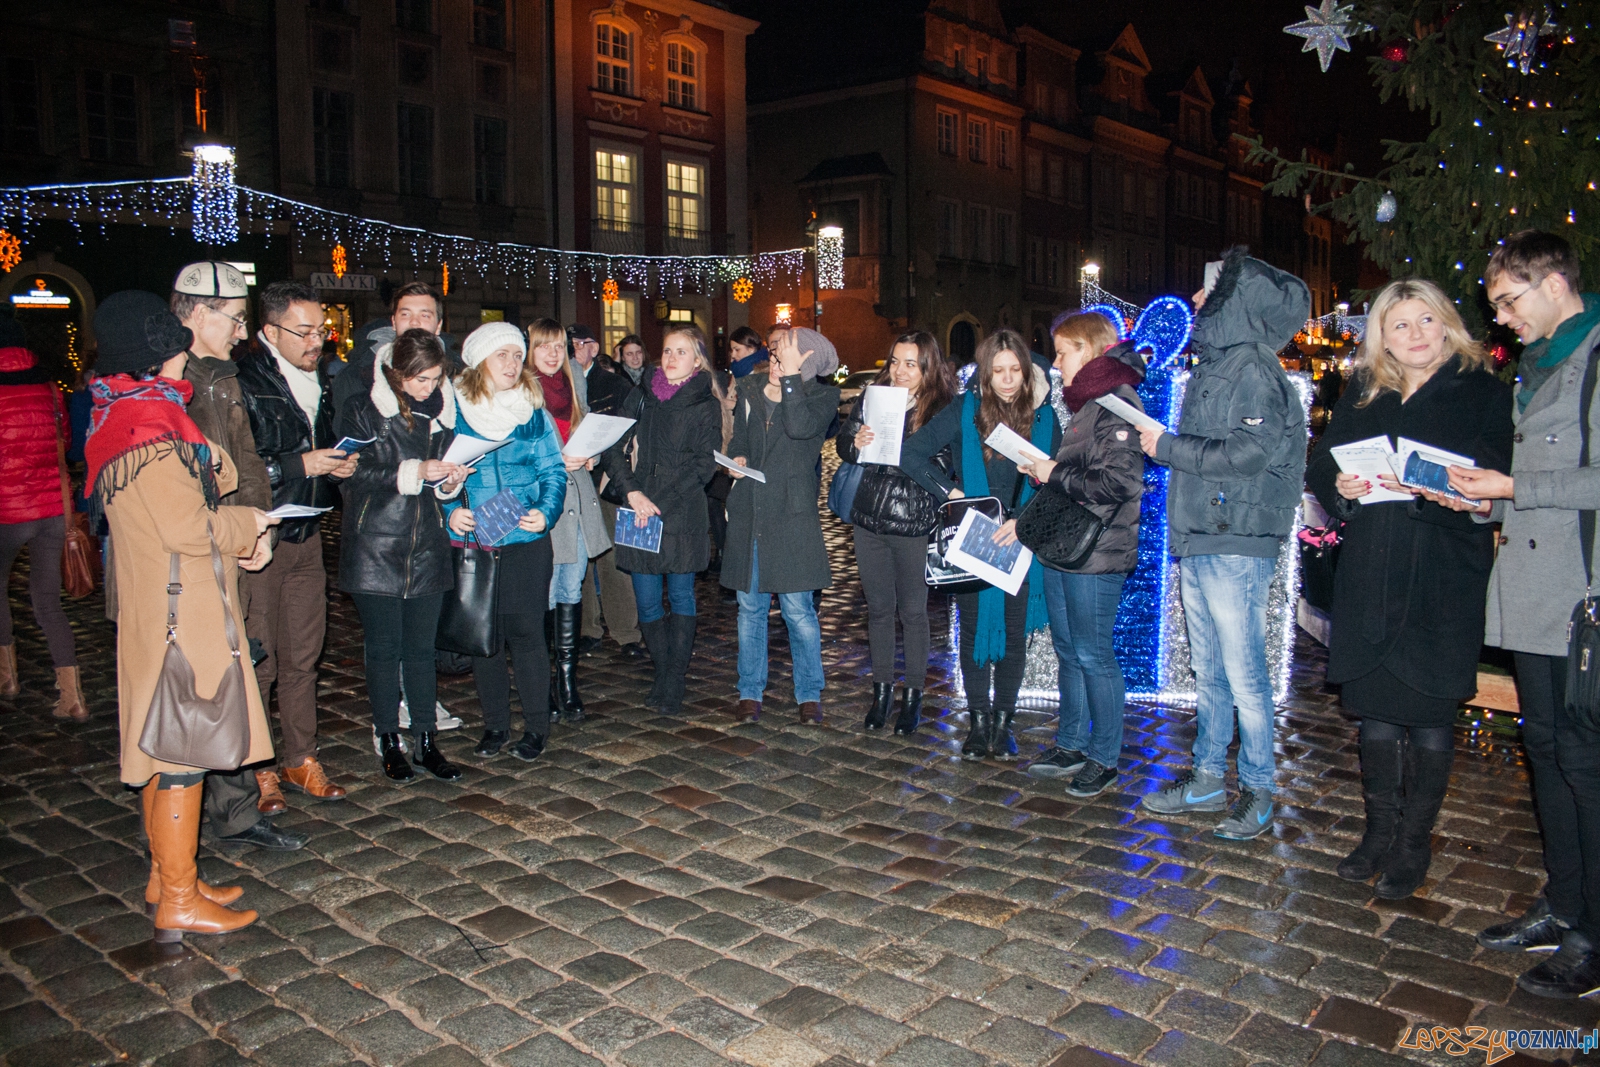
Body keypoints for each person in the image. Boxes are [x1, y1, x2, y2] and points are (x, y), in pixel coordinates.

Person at [1305, 279, 1512, 896]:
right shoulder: (1365, 392)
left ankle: (1414, 842)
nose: (1416, 334)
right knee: (1374, 712)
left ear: (1447, 323)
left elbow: (1501, 479)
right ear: (1382, 337)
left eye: (1427, 320)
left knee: (1426, 713)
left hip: (1441, 568)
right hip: (1372, 565)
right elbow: (1324, 463)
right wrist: (1339, 488)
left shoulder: (1481, 393)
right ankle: (1377, 832)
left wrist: (1466, 496)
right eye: (1401, 325)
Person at [87, 290, 279, 942]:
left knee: (164, 741)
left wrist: (211, 465)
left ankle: (170, 877)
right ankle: (176, 895)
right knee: (183, 751)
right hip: (182, 608)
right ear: (156, 350)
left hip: (164, 604)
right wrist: (246, 522)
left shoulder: (135, 414)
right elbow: (187, 523)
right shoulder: (146, 431)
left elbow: (209, 469)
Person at [1446, 231, 1600, 998]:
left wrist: (1511, 489)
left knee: (1583, 760)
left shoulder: (1594, 358)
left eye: (1510, 299)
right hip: (1535, 591)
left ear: (1555, 283)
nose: (1501, 318)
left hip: (1581, 597)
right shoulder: (1534, 369)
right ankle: (1564, 900)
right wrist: (1479, 496)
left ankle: (1593, 932)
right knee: (1545, 748)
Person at [1137, 246, 1309, 840]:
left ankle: (1258, 788)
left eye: (1209, 290)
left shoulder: (1253, 369)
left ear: (1234, 298)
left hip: (1235, 540)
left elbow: (1247, 454)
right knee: (1208, 671)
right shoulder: (1222, 362)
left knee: (1244, 676)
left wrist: (1164, 446)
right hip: (1206, 536)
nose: (1197, 299)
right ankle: (1209, 777)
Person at [172, 263, 303, 848]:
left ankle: (236, 808)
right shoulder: (173, 378)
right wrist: (236, 529)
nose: (239, 328)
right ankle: (189, 811)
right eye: (233, 316)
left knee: (238, 667)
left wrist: (259, 527)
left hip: (234, 540)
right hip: (194, 552)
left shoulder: (222, 375)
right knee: (202, 681)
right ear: (199, 314)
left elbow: (246, 460)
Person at [902, 328, 1061, 760]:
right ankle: (978, 723)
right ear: (985, 374)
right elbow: (911, 454)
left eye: (1014, 370)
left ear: (1027, 372)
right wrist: (952, 495)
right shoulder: (965, 410)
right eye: (998, 371)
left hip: (1021, 537)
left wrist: (1024, 522)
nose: (1007, 380)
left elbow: (1058, 483)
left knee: (1011, 637)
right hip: (973, 534)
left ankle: (1003, 723)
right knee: (973, 632)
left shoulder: (1046, 418)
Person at [234, 281, 356, 805]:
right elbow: (234, 468)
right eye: (303, 331)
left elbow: (319, 454)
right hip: (261, 536)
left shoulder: (318, 382)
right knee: (260, 653)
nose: (316, 341)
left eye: (320, 330)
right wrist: (299, 464)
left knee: (304, 653)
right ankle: (259, 766)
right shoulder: (243, 380)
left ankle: (300, 758)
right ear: (269, 331)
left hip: (306, 532)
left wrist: (338, 467)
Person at [333, 329, 472, 782]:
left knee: (420, 650)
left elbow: (441, 481)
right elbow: (349, 474)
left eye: (435, 379)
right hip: (376, 543)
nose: (428, 388)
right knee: (384, 649)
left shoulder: (442, 412)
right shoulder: (364, 409)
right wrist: (412, 471)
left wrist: (450, 481)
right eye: (420, 379)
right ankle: (389, 738)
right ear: (396, 372)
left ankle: (427, 740)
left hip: (427, 545)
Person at [1020, 312, 1148, 797]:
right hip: (1067, 546)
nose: (1056, 363)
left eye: (1064, 351)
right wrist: (1046, 471)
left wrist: (1054, 473)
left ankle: (1105, 757)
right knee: (1069, 649)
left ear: (1091, 351)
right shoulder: (1087, 401)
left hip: (1097, 551)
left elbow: (1121, 482)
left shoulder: (1116, 402)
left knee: (1094, 654)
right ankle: (1072, 742)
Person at [443, 323, 567, 761]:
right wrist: (449, 512)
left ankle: (535, 728)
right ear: (480, 362)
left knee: (528, 634)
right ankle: (494, 725)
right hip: (478, 540)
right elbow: (437, 473)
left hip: (526, 539)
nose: (514, 364)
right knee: (486, 638)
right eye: (504, 356)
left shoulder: (533, 413)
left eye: (518, 356)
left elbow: (554, 472)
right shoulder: (454, 411)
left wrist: (546, 513)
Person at [835, 331, 956, 734]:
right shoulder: (874, 396)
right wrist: (856, 441)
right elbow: (844, 446)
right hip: (870, 515)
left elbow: (943, 465)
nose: (900, 371)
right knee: (880, 610)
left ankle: (914, 696)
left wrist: (908, 442)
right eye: (895, 362)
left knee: (914, 613)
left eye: (911, 364)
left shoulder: (942, 407)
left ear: (928, 367)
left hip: (913, 520)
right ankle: (882, 691)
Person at [722, 328, 841, 724]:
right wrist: (737, 456)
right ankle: (749, 691)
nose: (774, 364)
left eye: (785, 359)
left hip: (792, 516)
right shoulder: (751, 387)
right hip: (751, 509)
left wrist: (791, 380)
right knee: (750, 608)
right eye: (774, 356)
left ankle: (809, 693)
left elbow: (800, 428)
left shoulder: (823, 397)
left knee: (798, 611)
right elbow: (740, 435)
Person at [601, 324, 722, 714]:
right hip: (639, 508)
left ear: (697, 360)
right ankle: (663, 670)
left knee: (683, 595)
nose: (670, 358)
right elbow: (613, 447)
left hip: (681, 511)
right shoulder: (640, 395)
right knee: (648, 601)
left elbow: (704, 465)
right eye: (667, 350)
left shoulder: (705, 403)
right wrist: (632, 492)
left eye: (681, 352)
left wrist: (656, 503)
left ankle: (674, 677)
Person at [0, 315, 84, 720]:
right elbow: (64, 443)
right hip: (52, 510)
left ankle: (8, 677)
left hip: (6, 512)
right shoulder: (51, 390)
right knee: (48, 601)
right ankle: (72, 697)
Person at [532, 320, 612, 721]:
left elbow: (583, 436)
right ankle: (543, 682)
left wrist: (591, 455)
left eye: (558, 346)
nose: (552, 354)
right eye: (543, 346)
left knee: (571, 588)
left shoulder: (573, 384)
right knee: (545, 591)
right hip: (543, 502)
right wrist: (554, 462)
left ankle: (567, 680)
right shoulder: (522, 392)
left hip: (577, 498)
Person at [571, 327, 645, 658]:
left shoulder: (614, 384)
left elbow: (629, 431)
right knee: (580, 558)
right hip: (571, 479)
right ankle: (588, 627)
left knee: (614, 556)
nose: (573, 350)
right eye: (568, 344)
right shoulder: (561, 383)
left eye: (579, 343)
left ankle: (625, 630)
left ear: (593, 347)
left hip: (605, 480)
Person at [331, 282, 445, 429]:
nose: (414, 322)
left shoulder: (453, 372)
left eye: (425, 315)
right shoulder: (355, 375)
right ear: (393, 321)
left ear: (438, 326)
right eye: (405, 314)